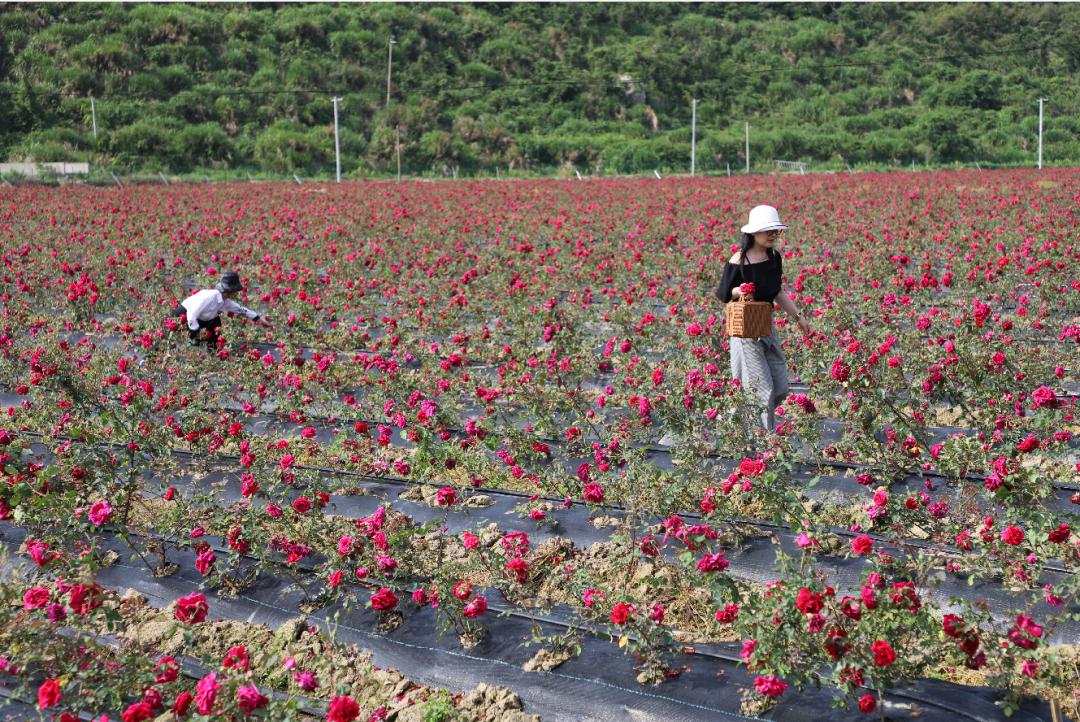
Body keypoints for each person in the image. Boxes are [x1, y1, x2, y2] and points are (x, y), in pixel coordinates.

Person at [716, 205, 812, 432]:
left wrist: (799, 317)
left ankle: (736, 422)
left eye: (775, 230)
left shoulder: (773, 257)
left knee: (779, 386)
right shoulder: (739, 260)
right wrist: (739, 292)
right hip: (746, 330)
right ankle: (763, 441)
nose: (772, 235)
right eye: (767, 230)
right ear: (752, 232)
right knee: (762, 390)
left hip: (766, 325)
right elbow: (724, 293)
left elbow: (777, 292)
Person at [170, 271, 264, 353]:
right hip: (183, 317)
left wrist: (257, 318)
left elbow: (240, 309)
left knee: (216, 322)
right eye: (235, 291)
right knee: (181, 342)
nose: (236, 293)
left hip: (198, 320)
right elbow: (192, 312)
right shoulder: (210, 296)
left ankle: (213, 350)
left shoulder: (224, 300)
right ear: (230, 291)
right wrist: (196, 331)